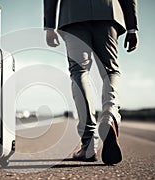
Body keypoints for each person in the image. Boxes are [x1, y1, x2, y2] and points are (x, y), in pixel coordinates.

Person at [44, 0, 138, 165]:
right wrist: (132, 26)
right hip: (108, 12)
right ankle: (110, 113)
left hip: (73, 15)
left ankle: (88, 145)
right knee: (110, 70)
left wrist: (49, 26)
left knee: (79, 72)